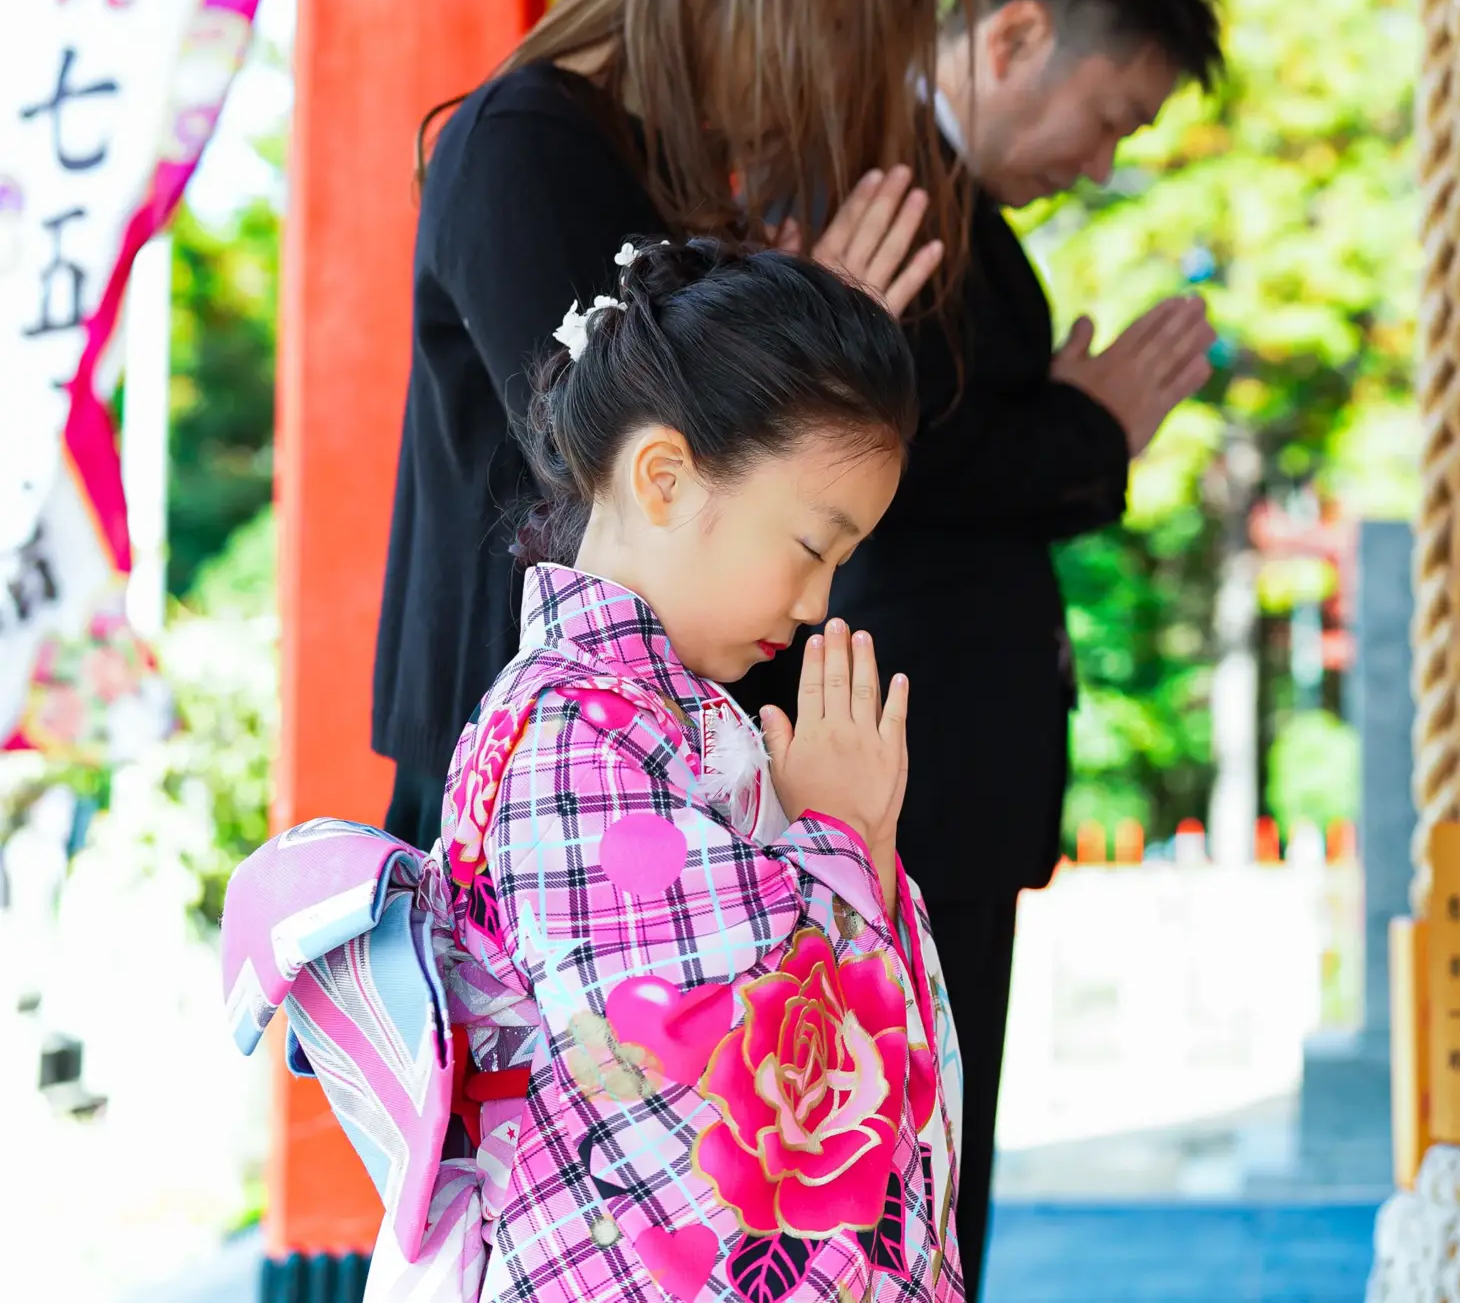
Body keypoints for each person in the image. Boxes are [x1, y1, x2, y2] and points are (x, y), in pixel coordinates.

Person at [222, 239, 964, 1301]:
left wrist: (833, 849)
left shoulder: (637, 716)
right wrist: (840, 847)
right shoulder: (567, 732)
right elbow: (684, 1041)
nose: (818, 605)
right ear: (664, 477)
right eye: (811, 547)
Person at [734, 0, 1223, 1292]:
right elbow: (904, 453)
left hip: (929, 757)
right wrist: (1093, 430)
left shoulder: (948, 202)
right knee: (889, 1145)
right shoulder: (878, 180)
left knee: (930, 1143)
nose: (1103, 160)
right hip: (889, 752)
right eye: (1109, 112)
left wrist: (1080, 423)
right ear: (1012, 33)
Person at [374, 0, 964, 850]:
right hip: (526, 754)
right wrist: (805, 360)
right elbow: (594, 462)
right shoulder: (526, 144)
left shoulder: (649, 168)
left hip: (621, 751)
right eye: (833, 30)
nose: (830, 82)